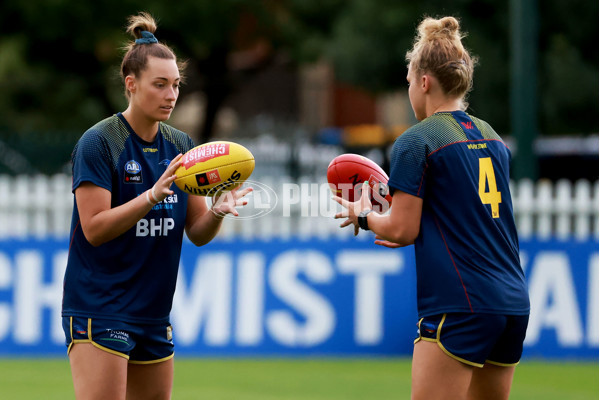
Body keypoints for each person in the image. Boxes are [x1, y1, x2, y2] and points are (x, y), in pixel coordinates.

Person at [334, 16, 530, 400]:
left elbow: (402, 229)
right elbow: (462, 214)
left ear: (424, 82)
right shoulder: (491, 135)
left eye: (409, 81)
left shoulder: (417, 140)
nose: (409, 89)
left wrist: (362, 215)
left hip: (461, 303)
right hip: (512, 302)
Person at [61, 12, 251, 400]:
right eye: (160, 85)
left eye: (176, 85)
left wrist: (217, 210)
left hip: (153, 313)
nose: (171, 95)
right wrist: (149, 196)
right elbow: (94, 228)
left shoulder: (181, 146)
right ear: (131, 85)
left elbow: (196, 233)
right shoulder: (100, 142)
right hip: (101, 307)